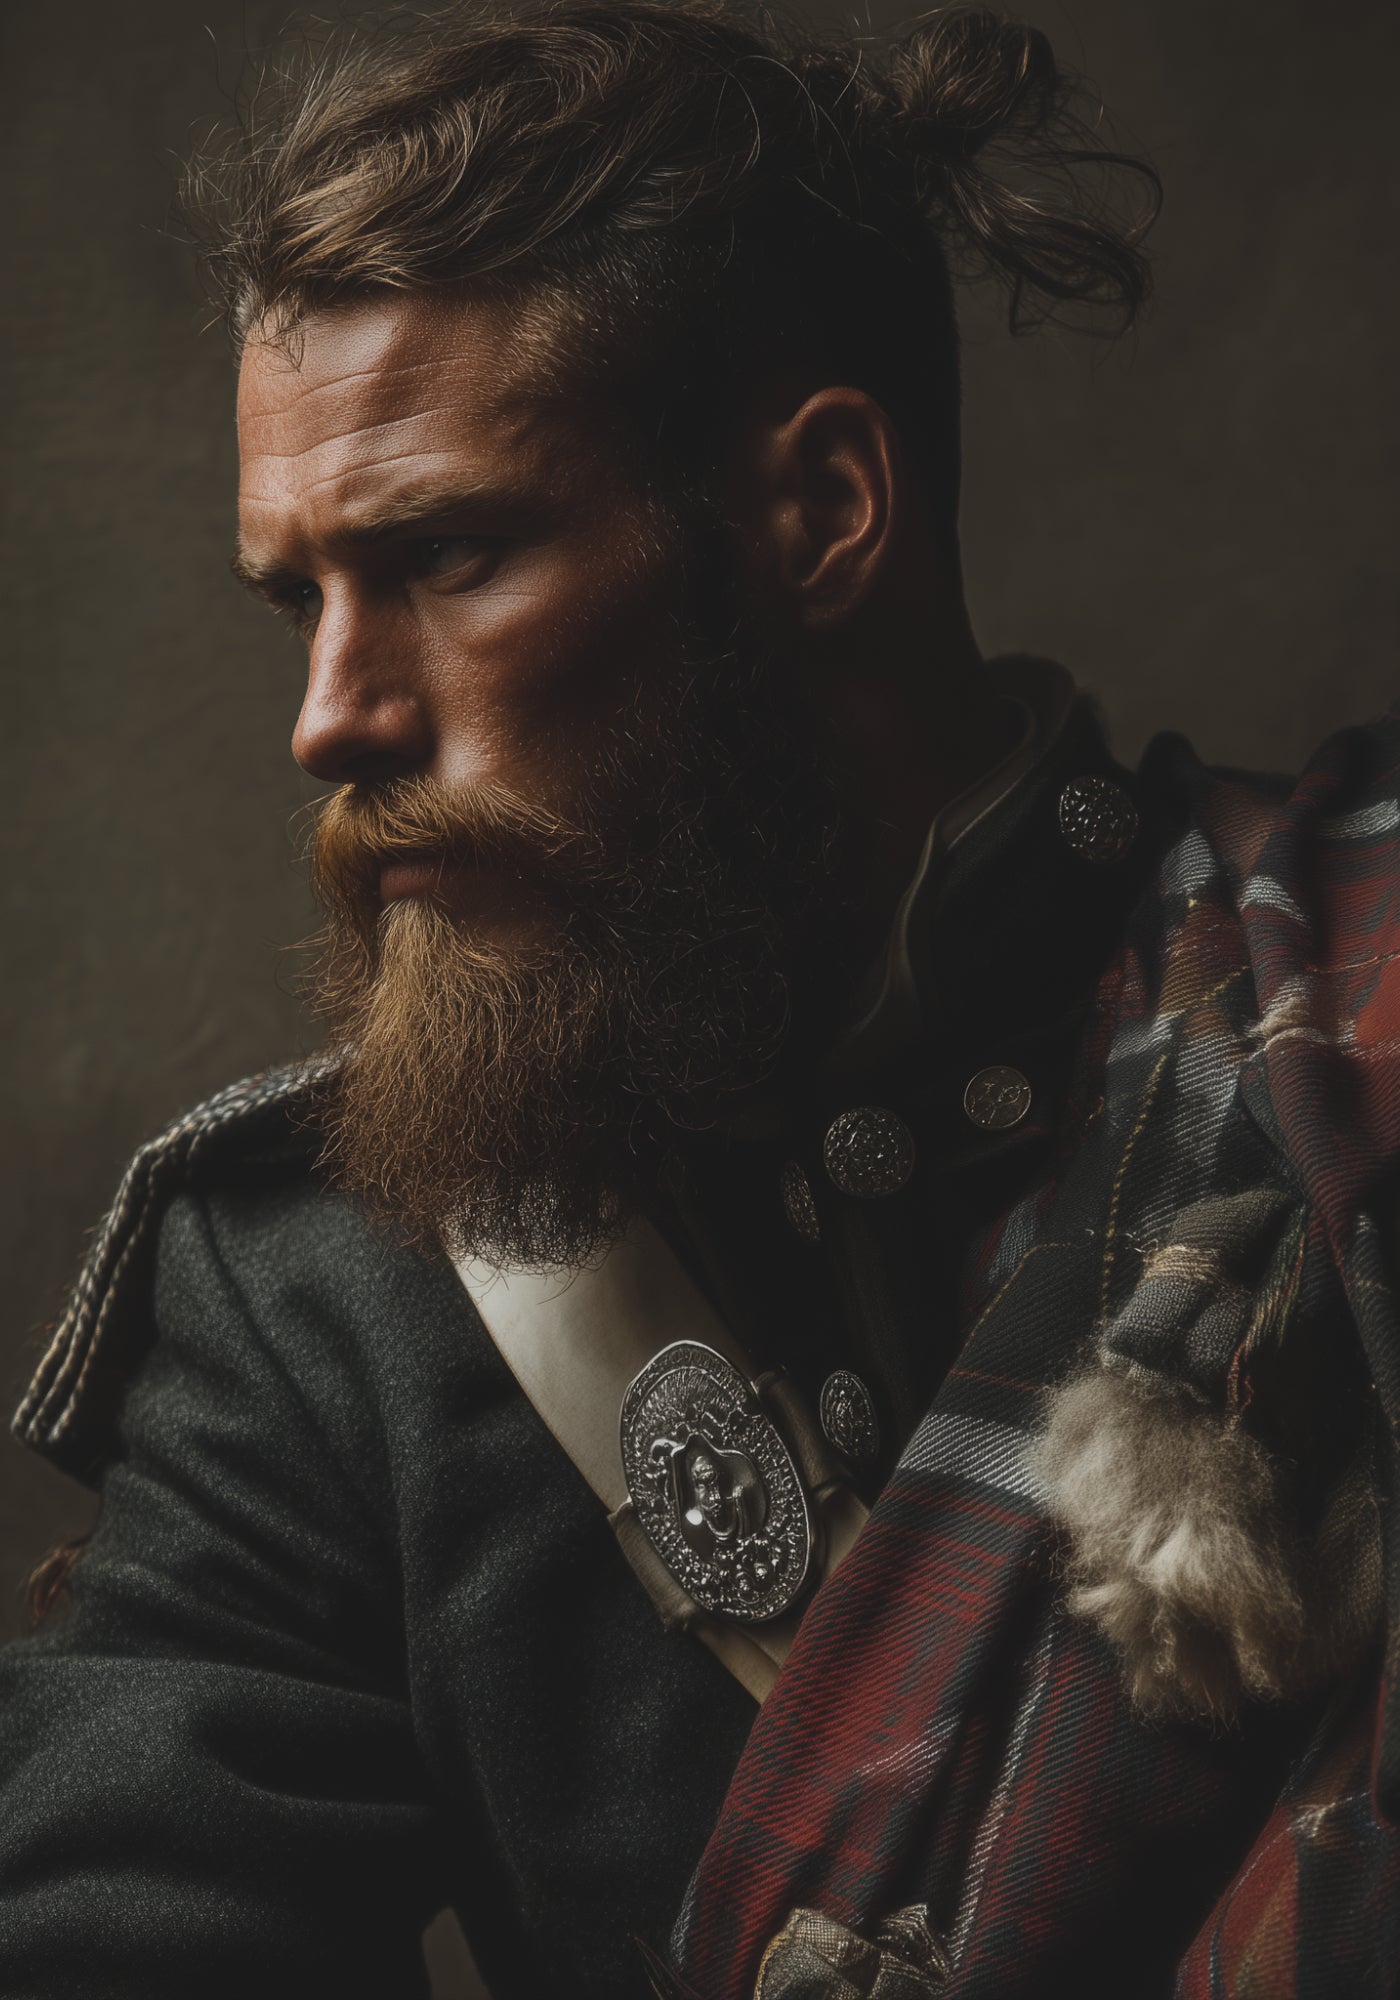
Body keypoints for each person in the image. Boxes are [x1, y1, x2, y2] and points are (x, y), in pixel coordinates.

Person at [3, 4, 1398, 1995]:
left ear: (822, 511)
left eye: (448, 557)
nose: (331, 717)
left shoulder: (1363, 1009)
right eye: (298, 599)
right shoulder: (318, 1295)